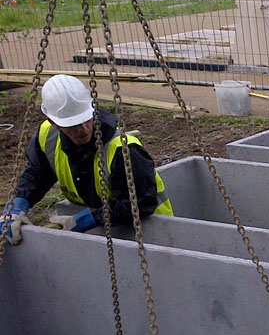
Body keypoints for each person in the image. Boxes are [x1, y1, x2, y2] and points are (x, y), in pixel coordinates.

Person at [1, 74, 173, 245]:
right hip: (110, 228)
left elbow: (140, 202)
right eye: (73, 125)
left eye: (85, 120)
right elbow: (36, 176)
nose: (83, 129)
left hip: (155, 231)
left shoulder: (123, 150)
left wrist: (87, 219)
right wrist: (18, 205)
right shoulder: (48, 137)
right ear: (54, 123)